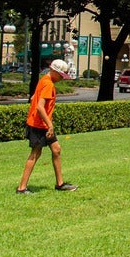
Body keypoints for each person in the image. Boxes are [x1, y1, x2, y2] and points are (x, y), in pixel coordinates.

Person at [18, 58, 77, 194]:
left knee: (56, 149)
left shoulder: (44, 80)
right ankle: (21, 188)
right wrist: (50, 125)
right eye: (61, 76)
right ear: (54, 71)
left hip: (42, 123)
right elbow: (40, 107)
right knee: (35, 154)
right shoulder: (48, 84)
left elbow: (34, 98)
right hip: (39, 125)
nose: (62, 79)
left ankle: (60, 184)